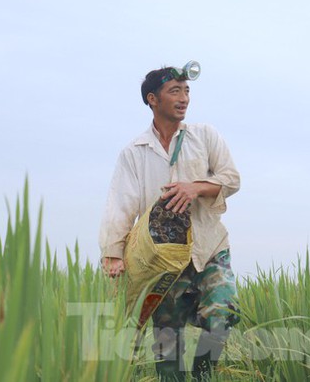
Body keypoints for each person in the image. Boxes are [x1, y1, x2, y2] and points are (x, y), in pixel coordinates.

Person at [98, 63, 241, 381]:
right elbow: (121, 205)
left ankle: (204, 373)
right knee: (168, 347)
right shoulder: (135, 153)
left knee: (223, 314)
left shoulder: (204, 136)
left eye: (187, 90)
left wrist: (196, 187)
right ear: (152, 99)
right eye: (174, 91)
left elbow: (231, 179)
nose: (184, 98)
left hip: (209, 247)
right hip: (162, 260)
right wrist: (113, 253)